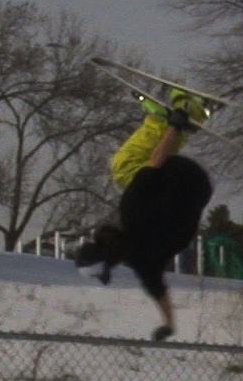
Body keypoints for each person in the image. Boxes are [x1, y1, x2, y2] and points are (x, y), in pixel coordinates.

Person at [75, 88, 214, 341]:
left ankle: (190, 115)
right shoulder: (132, 210)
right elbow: (156, 162)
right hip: (183, 174)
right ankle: (167, 115)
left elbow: (159, 293)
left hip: (200, 192)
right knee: (123, 167)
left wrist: (169, 325)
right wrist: (174, 124)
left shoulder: (143, 262)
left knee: (135, 174)